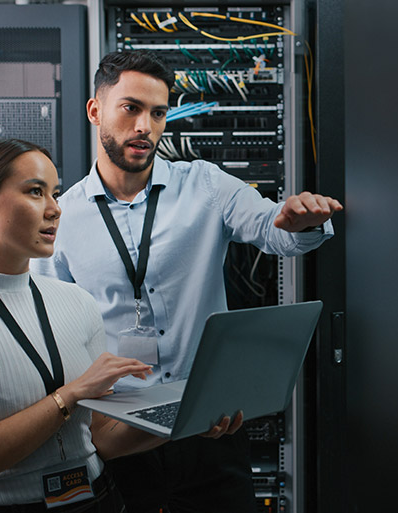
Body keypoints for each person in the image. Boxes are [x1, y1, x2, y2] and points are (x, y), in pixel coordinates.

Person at [32, 50, 343, 513]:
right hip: (120, 432)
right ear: (96, 111)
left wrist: (297, 221)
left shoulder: (206, 185)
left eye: (158, 113)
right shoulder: (63, 215)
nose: (146, 126)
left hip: (209, 426)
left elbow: (270, 228)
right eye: (131, 108)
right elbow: (50, 329)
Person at [0, 138, 237, 513]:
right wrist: (69, 395)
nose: (55, 209)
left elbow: (102, 440)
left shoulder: (77, 301)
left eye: (55, 194)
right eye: (35, 192)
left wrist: (187, 419)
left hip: (99, 498)